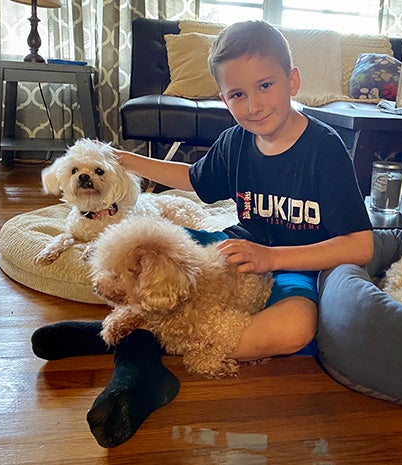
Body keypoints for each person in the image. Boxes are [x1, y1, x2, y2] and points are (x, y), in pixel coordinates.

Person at [31, 19, 373, 448]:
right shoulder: (235, 141)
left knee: (295, 330)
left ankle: (135, 343)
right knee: (138, 263)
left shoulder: (325, 149)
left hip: (295, 262)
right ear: (223, 98)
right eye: (237, 94)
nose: (253, 105)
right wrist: (126, 160)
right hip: (232, 244)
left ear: (293, 80)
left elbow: (360, 246)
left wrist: (273, 259)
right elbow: (194, 179)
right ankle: (142, 345)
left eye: (265, 86)